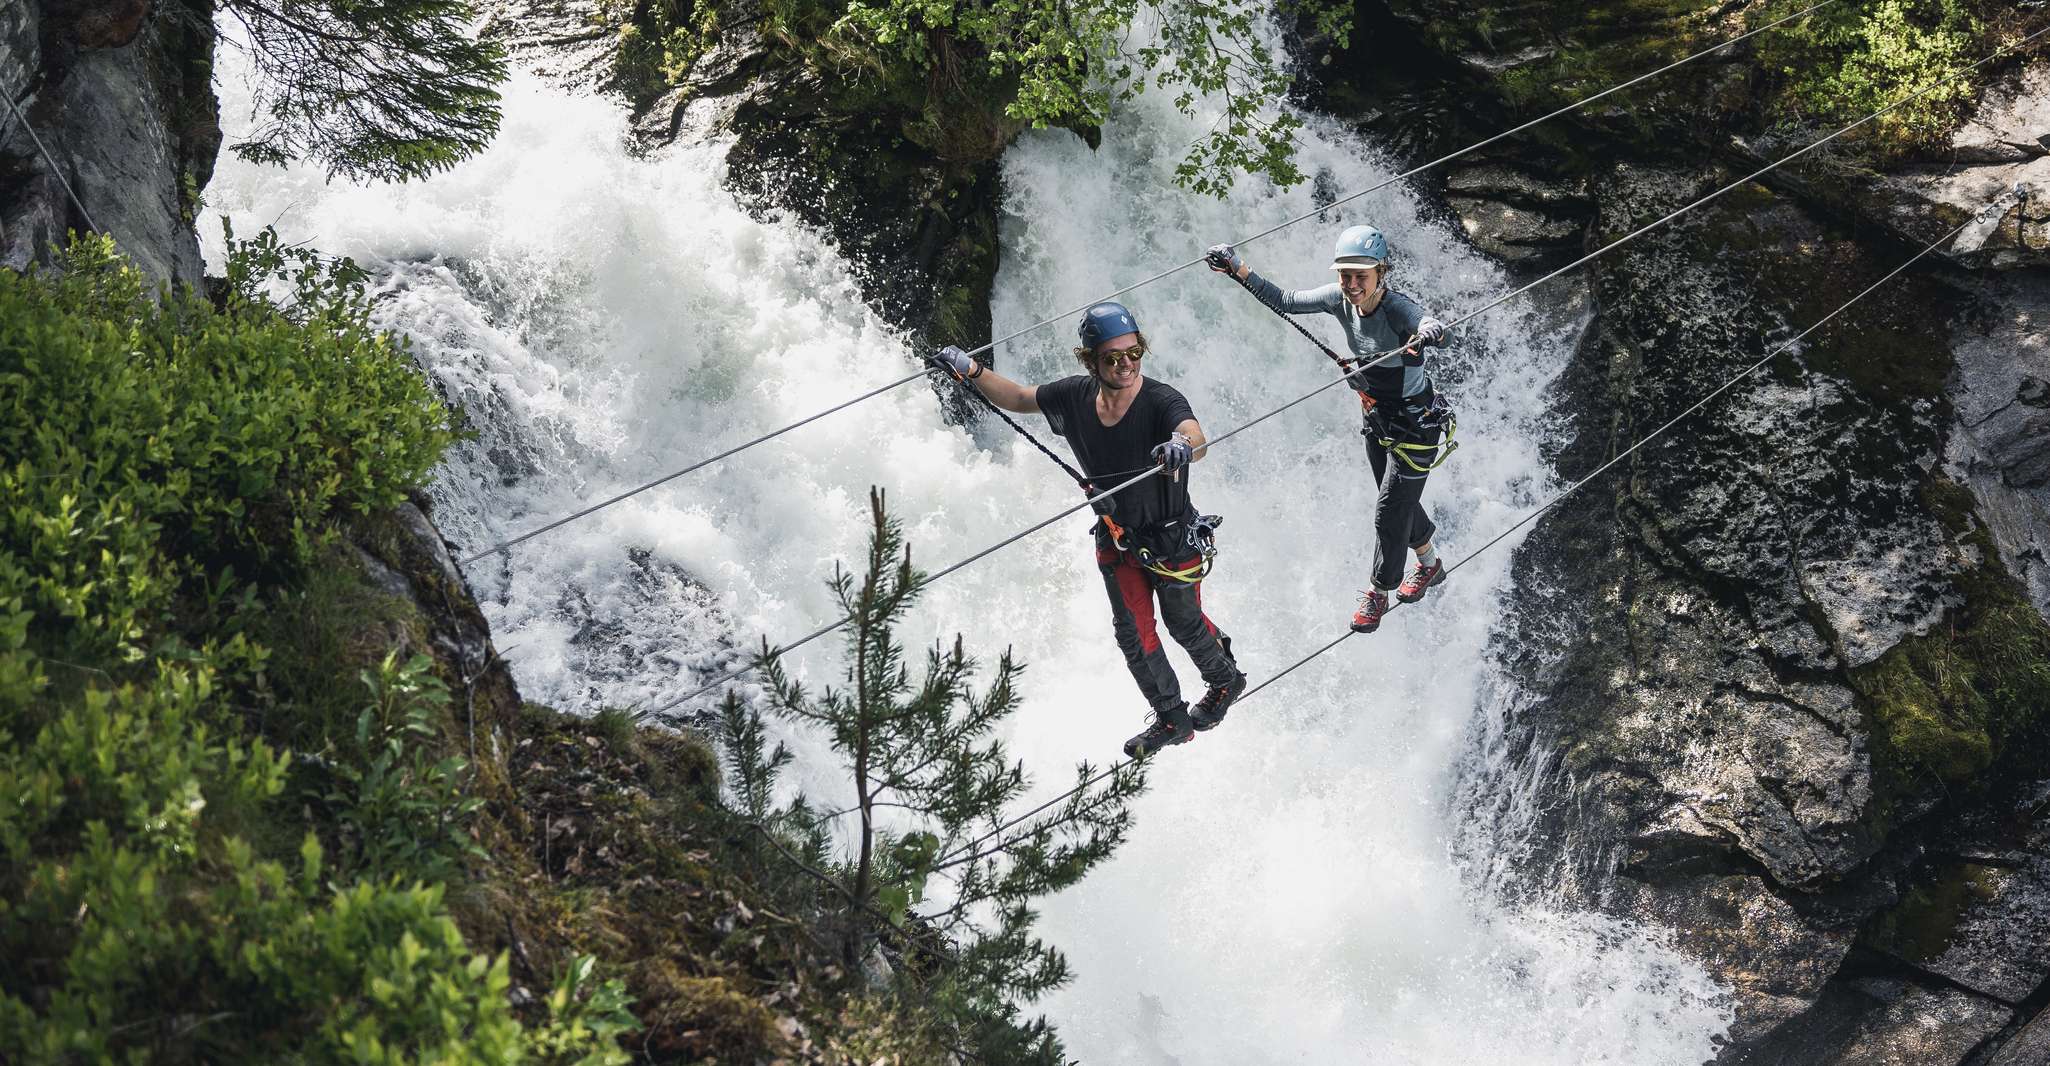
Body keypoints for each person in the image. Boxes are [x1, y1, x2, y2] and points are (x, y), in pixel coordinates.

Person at [933, 302, 1246, 758]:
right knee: (1132, 634)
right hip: (1119, 538)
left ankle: (1224, 681)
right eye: (1113, 357)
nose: (1126, 364)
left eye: (1134, 353)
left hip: (1172, 539)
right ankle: (1172, 718)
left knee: (1182, 623)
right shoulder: (1075, 397)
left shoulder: (1161, 400)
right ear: (1090, 361)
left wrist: (1181, 445)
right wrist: (973, 369)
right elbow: (1020, 398)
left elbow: (1194, 435)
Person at [1205, 226, 1454, 634]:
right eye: (1345, 275)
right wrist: (1238, 269)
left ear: (1381, 273)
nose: (1352, 284)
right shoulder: (1338, 300)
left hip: (1416, 425)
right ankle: (1429, 563)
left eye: (1362, 276)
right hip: (1377, 417)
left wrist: (1431, 332)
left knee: (1389, 509)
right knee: (1396, 501)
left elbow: (1434, 326)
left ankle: (1380, 590)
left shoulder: (1396, 309)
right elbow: (1285, 300)